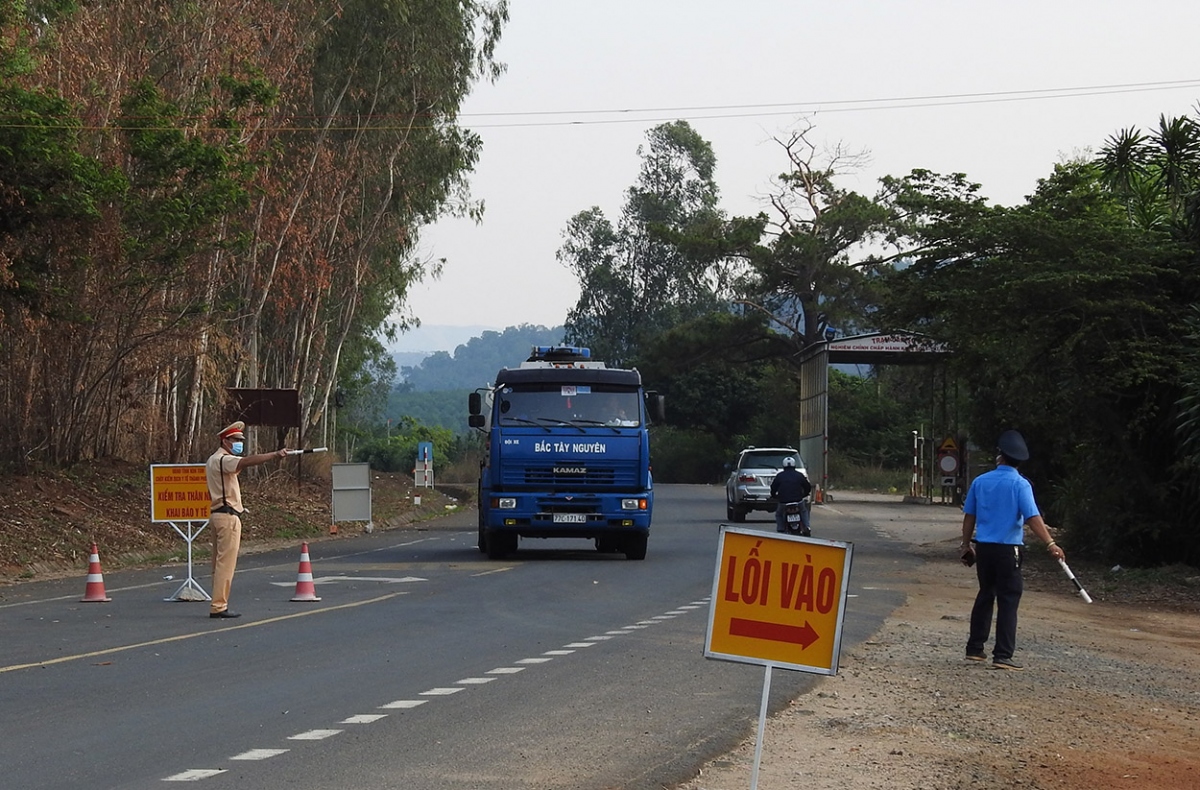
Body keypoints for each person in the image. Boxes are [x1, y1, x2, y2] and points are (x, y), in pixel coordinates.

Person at [959, 429, 1066, 670]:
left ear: (1000, 457)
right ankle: (1003, 654)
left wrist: (966, 545)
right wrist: (1051, 543)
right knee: (1009, 598)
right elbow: (1032, 517)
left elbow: (969, 517)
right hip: (1009, 550)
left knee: (986, 594)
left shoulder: (980, 481)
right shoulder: (1020, 485)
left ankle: (975, 649)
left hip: (984, 548)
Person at [205, 421, 291, 619]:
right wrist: (274, 454)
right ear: (225, 441)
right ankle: (219, 606)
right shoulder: (223, 459)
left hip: (218, 515)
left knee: (218, 565)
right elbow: (245, 462)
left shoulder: (214, 460)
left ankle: (217, 602)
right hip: (227, 517)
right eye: (236, 440)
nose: (239, 443)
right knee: (225, 564)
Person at [770, 456, 812, 536]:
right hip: (798, 501)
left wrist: (774, 496)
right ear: (794, 465)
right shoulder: (799, 475)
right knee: (804, 511)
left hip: (783, 502)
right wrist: (805, 494)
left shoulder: (779, 476)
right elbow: (807, 486)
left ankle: (780, 529)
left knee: (778, 514)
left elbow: (773, 488)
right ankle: (807, 526)